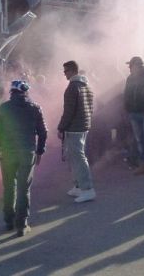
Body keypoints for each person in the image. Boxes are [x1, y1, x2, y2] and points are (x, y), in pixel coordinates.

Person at [0, 80, 47, 237]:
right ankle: (22, 225)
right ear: (25, 92)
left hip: (8, 152)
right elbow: (43, 132)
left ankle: (9, 221)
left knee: (9, 186)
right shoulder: (35, 107)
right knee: (24, 188)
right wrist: (40, 151)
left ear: (12, 92)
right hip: (27, 152)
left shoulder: (4, 107)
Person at [58, 60, 96, 203]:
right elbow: (91, 108)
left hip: (74, 128)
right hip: (83, 126)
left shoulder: (72, 87)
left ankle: (87, 189)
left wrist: (61, 127)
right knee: (75, 157)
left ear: (73, 71)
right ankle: (79, 186)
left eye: (66, 71)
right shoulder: (87, 86)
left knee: (79, 158)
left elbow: (68, 111)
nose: (64, 74)